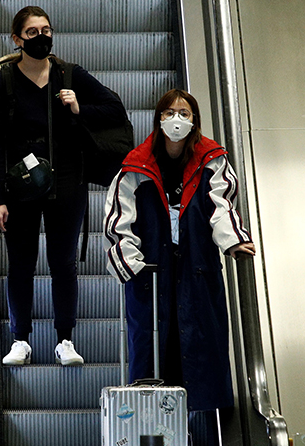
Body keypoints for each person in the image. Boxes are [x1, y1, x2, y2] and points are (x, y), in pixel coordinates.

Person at [0, 5, 127, 366]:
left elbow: (114, 109)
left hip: (67, 180)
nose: (41, 37)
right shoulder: (3, 82)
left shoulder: (69, 74)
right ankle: (20, 340)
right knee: (21, 264)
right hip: (21, 184)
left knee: (64, 263)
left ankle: (65, 340)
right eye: (32, 32)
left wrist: (79, 108)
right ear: (16, 39)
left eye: (46, 30)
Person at [102, 89, 256, 410]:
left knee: (200, 344)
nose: (176, 120)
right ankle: (154, 426)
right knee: (153, 348)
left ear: (194, 121)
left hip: (196, 267)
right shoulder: (136, 166)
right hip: (151, 274)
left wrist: (234, 240)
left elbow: (221, 204)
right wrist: (130, 263)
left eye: (184, 114)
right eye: (169, 113)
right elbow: (119, 220)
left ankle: (196, 422)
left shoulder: (210, 160)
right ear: (158, 119)